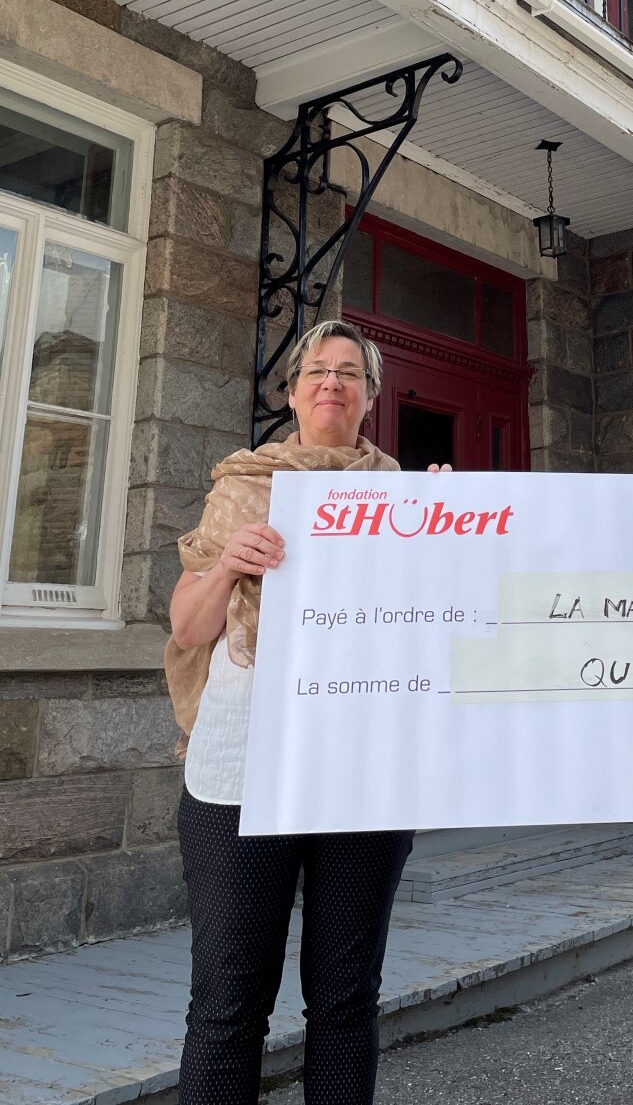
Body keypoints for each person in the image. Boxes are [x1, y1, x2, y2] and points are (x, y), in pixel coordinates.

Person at [165, 319, 447, 1105]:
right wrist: (227, 564)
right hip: (243, 769)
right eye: (317, 370)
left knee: (346, 998)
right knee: (228, 1003)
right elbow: (188, 628)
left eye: (350, 373)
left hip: (363, 770)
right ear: (292, 392)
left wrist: (453, 530)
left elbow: (443, 623)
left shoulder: (408, 497)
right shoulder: (242, 486)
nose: (332, 382)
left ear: (371, 398)